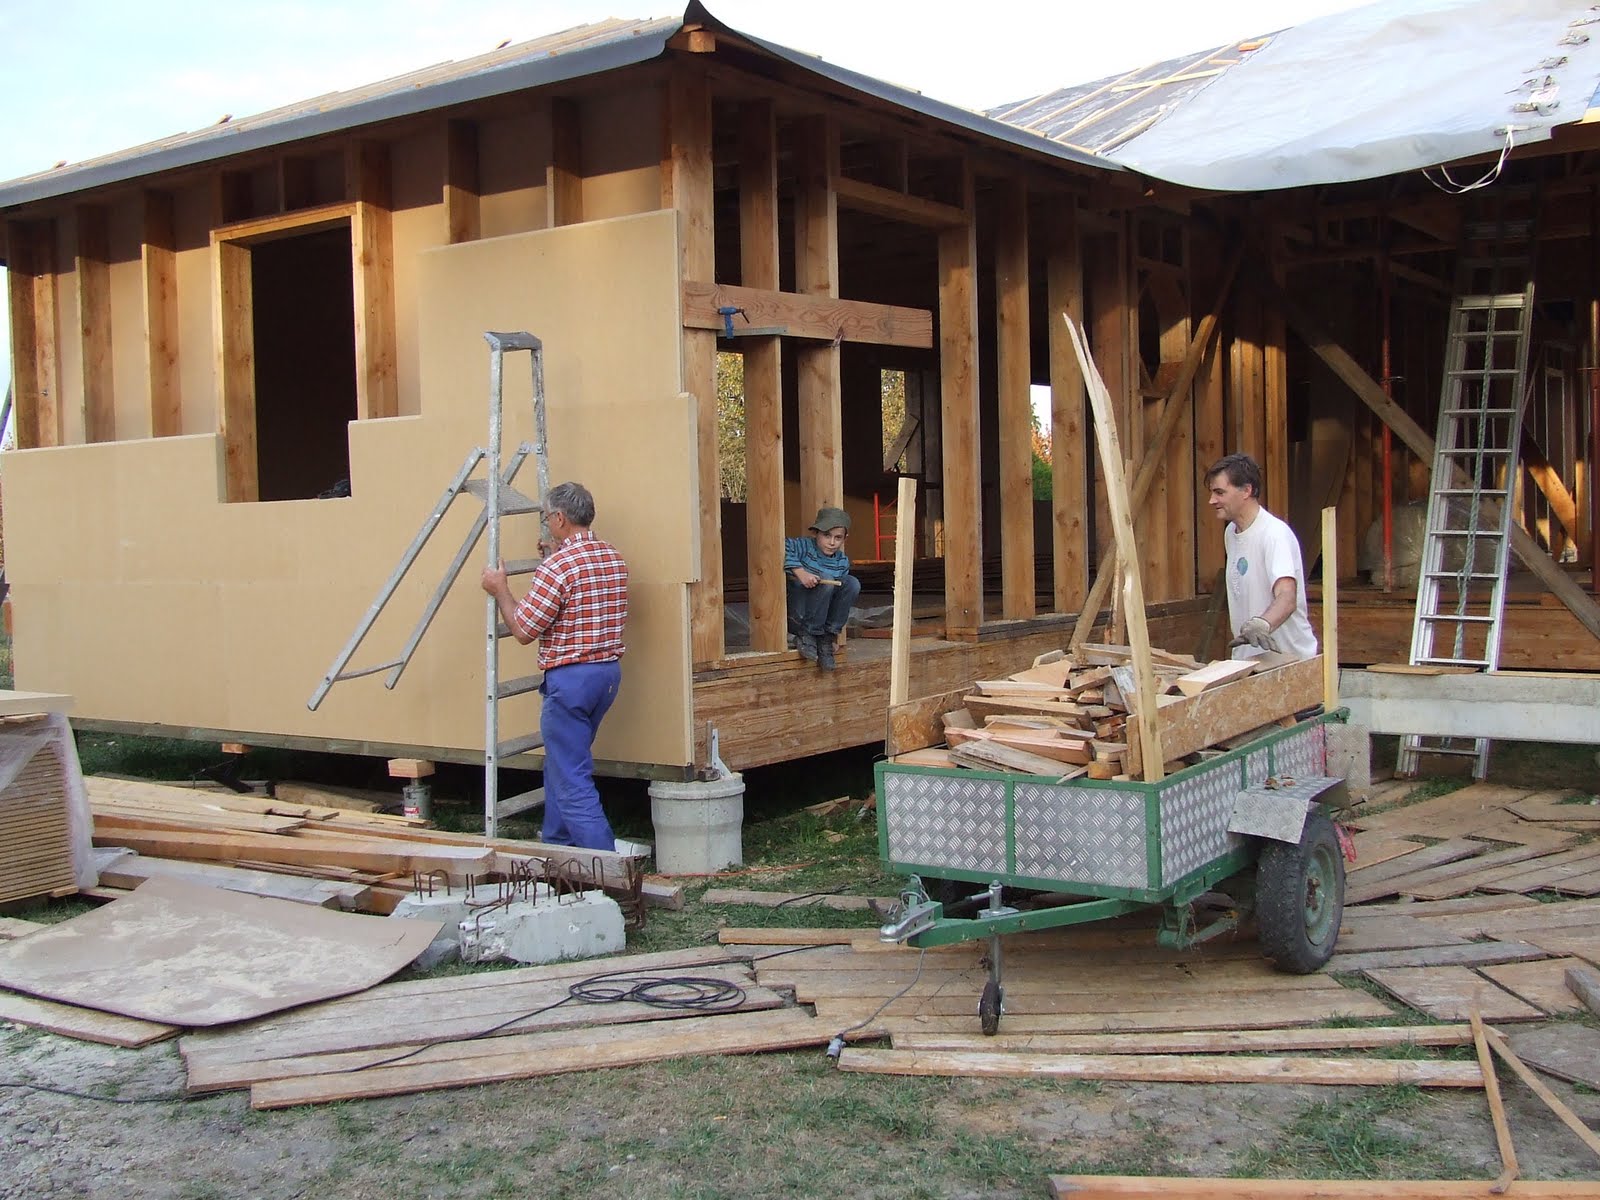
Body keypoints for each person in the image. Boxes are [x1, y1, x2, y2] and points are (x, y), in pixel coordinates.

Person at [481, 481, 628, 851]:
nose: (548, 525)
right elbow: (582, 591)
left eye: (548, 518)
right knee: (563, 764)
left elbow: (524, 630)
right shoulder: (612, 556)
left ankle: (607, 868)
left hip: (571, 681)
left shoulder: (558, 568)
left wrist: (500, 588)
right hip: (606, 676)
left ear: (560, 518)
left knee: (571, 777)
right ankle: (556, 842)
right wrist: (555, 556)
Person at [1204, 453, 1319, 662]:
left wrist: (1262, 624)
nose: (1212, 500)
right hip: (1250, 660)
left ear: (1246, 490)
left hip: (1288, 660)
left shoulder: (1274, 534)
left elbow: (1287, 596)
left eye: (1220, 492)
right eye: (1212, 493)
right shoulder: (1231, 532)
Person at [784, 505, 861, 672]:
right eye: (827, 535)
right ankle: (807, 635)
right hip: (799, 615)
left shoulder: (842, 562)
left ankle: (826, 637)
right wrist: (800, 572)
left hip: (821, 620)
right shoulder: (803, 546)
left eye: (838, 538)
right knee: (827, 579)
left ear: (845, 538)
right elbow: (781, 546)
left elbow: (838, 599)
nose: (832, 542)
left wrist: (832, 636)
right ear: (816, 533)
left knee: (852, 583)